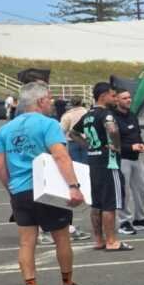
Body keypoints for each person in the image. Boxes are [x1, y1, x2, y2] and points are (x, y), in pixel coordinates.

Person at [0, 82, 85, 285]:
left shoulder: (5, 129)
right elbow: (61, 156)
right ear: (41, 101)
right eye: (49, 99)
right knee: (61, 238)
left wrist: (12, 190)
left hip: (20, 190)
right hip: (47, 189)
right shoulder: (49, 124)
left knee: (26, 242)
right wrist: (73, 186)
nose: (51, 103)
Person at [74, 82, 132, 252]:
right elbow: (112, 131)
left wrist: (89, 146)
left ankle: (98, 240)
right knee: (110, 203)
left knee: (97, 203)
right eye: (113, 96)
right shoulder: (106, 114)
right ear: (103, 96)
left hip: (94, 161)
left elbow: (73, 133)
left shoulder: (88, 115)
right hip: (109, 162)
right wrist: (116, 147)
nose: (115, 99)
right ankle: (112, 241)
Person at [114, 90, 144, 234]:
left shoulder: (132, 115)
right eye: (124, 98)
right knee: (124, 192)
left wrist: (141, 143)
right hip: (122, 159)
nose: (128, 100)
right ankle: (124, 221)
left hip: (136, 158)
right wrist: (130, 147)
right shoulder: (112, 118)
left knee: (141, 189)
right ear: (117, 100)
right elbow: (112, 142)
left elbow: (137, 133)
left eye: (129, 97)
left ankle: (139, 218)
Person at [53, 96, 92, 244]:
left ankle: (78, 183)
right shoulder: (87, 112)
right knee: (87, 166)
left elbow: (61, 130)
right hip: (86, 140)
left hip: (73, 141)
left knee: (75, 166)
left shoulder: (67, 115)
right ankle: (88, 185)